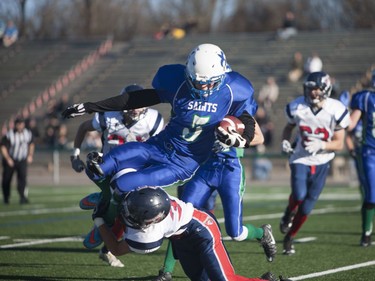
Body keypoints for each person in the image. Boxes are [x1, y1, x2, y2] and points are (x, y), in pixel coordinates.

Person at [61, 43, 275, 258]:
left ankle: (106, 220)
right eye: (198, 83)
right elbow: (136, 98)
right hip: (159, 145)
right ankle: (104, 201)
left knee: (122, 185)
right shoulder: (176, 80)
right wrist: (91, 106)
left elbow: (248, 122)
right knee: (98, 167)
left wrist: (239, 140)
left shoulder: (234, 89)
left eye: (209, 83)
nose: (203, 89)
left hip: (182, 162)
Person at [156, 123, 276, 280]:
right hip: (206, 168)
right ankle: (166, 271)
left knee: (235, 232)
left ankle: (262, 233)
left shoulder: (240, 106)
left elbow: (259, 138)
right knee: (181, 215)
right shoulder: (206, 105)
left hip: (230, 169)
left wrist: (234, 140)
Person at [92, 186, 290, 281]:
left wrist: (99, 220)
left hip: (202, 231)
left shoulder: (151, 232)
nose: (128, 214)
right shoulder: (144, 198)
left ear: (154, 220)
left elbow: (116, 249)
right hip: (181, 236)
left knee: (224, 280)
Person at [71, 84, 164, 266]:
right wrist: (74, 155)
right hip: (107, 169)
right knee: (122, 210)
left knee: (129, 212)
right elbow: (83, 127)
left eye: (139, 104)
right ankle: (103, 209)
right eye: (130, 104)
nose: (134, 109)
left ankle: (103, 207)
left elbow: (160, 147)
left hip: (136, 173)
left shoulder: (153, 120)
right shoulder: (109, 116)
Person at [280, 71, 350, 255]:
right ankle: (288, 212)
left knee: (308, 206)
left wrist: (323, 144)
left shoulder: (336, 109)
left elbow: (340, 143)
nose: (312, 93)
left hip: (323, 159)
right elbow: (288, 128)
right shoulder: (297, 107)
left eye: (317, 89)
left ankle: (290, 237)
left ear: (326, 89)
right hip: (300, 157)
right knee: (299, 193)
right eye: (310, 89)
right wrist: (285, 141)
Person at [347, 69, 375, 247]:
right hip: (370, 153)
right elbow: (350, 124)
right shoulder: (366, 98)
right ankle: (366, 232)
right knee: (371, 194)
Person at [1, 117, 34, 204]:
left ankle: (22, 197)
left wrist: (30, 155)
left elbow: (31, 144)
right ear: (15, 125)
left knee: (22, 178)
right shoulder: (10, 134)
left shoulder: (27, 133)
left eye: (21, 123)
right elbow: (3, 146)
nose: (20, 125)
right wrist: (8, 158)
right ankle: (6, 198)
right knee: (6, 180)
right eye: (18, 124)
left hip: (22, 159)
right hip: (11, 159)